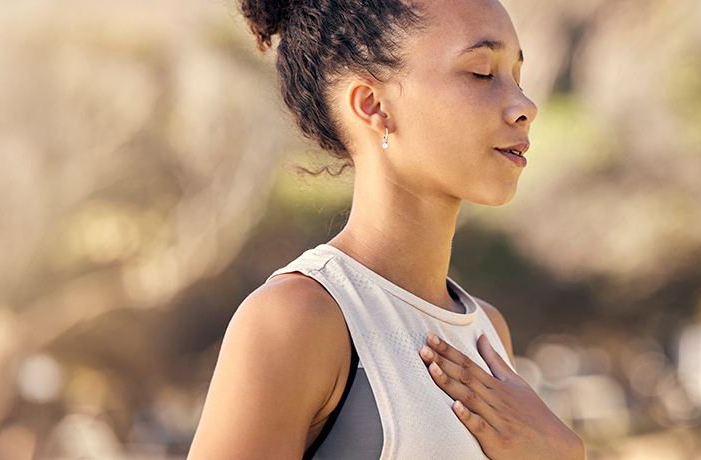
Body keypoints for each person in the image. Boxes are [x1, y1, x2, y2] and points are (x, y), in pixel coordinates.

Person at [184, 0, 582, 458]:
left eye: (517, 75)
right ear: (374, 106)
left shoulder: (488, 332)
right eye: (481, 73)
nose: (525, 106)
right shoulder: (297, 320)